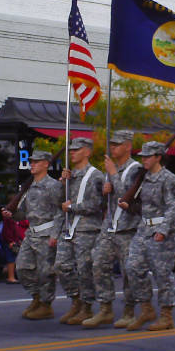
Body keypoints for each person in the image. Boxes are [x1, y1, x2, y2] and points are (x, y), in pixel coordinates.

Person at [83, 130, 142, 329]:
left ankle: (129, 311)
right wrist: (105, 189)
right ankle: (105, 309)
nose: (113, 148)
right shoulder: (111, 169)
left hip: (128, 229)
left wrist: (114, 177)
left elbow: (130, 195)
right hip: (109, 228)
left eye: (117, 144)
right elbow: (104, 201)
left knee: (129, 272)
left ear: (128, 146)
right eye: (112, 144)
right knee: (98, 264)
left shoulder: (136, 169)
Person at [125, 141, 175, 331]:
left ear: (158, 157)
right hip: (143, 228)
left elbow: (172, 208)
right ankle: (146, 308)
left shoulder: (169, 179)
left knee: (162, 273)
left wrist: (163, 230)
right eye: (142, 156)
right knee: (132, 267)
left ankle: (166, 315)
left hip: (162, 231)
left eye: (148, 156)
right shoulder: (143, 178)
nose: (144, 160)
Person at [4, 150, 62, 319]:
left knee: (46, 273)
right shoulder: (28, 187)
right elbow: (22, 213)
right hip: (31, 233)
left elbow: (60, 212)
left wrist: (55, 235)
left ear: (46, 164)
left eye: (37, 161)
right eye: (32, 161)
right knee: (22, 268)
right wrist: (11, 214)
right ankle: (37, 298)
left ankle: (46, 305)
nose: (33, 164)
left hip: (47, 233)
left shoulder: (53, 186)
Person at [55, 138, 104, 325]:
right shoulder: (71, 176)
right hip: (69, 228)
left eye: (77, 150)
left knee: (84, 269)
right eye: (71, 150)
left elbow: (97, 204)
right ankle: (75, 300)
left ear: (87, 152)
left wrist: (73, 207)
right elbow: (58, 201)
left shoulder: (96, 176)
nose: (72, 153)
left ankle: (87, 306)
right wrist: (62, 182)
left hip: (87, 229)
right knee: (61, 265)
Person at [1, 214, 27, 284]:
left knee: (15, 259)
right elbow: (6, 232)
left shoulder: (14, 219)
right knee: (11, 260)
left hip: (16, 241)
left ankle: (11, 274)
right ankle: (11, 277)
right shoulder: (9, 220)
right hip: (11, 242)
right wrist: (10, 241)